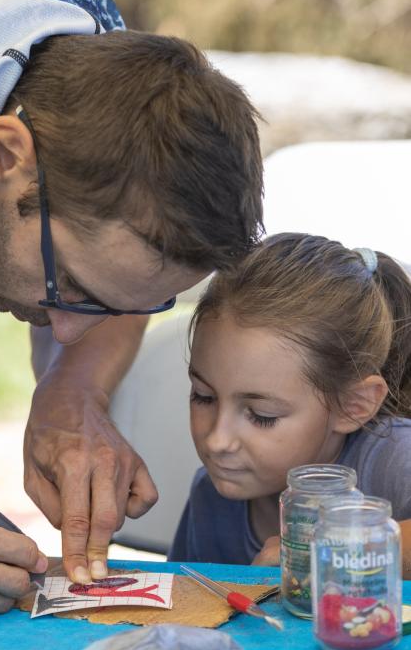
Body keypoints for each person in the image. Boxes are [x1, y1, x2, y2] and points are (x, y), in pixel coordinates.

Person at [0, 0, 264, 615]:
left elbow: (122, 269)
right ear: (1, 154)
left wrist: (73, 389)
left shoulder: (82, 48)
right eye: (69, 288)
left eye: (112, 305)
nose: (73, 329)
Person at [169, 233, 411, 573]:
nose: (217, 440)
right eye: (203, 396)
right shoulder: (209, 499)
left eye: (261, 415)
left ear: (353, 405)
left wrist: (342, 553)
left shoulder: (396, 461)